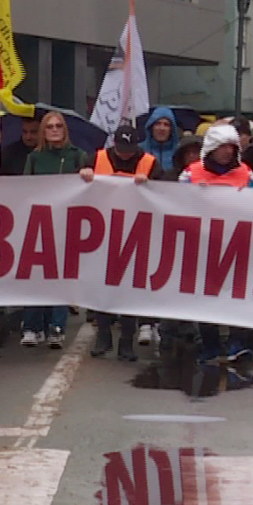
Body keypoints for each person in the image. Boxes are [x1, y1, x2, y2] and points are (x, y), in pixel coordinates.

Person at [81, 123, 161, 359]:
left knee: (129, 290)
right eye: (122, 148)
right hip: (101, 233)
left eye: (129, 148)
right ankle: (103, 335)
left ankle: (126, 340)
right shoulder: (95, 158)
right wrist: (84, 174)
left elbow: (166, 192)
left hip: (136, 233)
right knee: (101, 287)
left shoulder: (149, 163)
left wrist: (150, 184)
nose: (125, 153)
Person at [180, 124, 253, 362]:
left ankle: (237, 342)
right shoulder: (191, 174)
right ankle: (210, 344)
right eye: (223, 147)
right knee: (206, 297)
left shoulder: (246, 173)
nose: (227, 152)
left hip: (236, 245)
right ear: (212, 148)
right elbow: (175, 204)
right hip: (202, 246)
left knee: (236, 296)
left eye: (231, 147)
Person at [17, 111, 86, 350]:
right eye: (50, 127)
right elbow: (26, 189)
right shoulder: (35, 158)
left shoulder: (78, 156)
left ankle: (57, 327)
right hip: (40, 223)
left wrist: (87, 176)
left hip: (67, 224)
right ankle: (32, 326)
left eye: (58, 126)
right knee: (36, 276)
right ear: (43, 132)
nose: (55, 130)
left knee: (60, 277)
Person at [139, 108, 181, 175]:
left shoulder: (180, 152)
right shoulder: (139, 150)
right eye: (158, 124)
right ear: (151, 127)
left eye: (166, 124)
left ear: (172, 129)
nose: (161, 128)